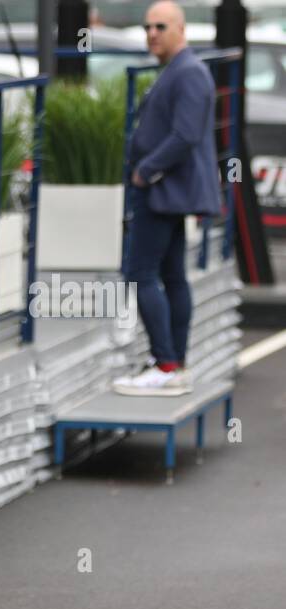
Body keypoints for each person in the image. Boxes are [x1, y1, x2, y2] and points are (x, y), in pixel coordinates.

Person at [113, 1, 221, 397]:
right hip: (166, 192)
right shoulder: (177, 70)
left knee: (140, 273)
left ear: (180, 28)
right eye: (147, 27)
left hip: (161, 191)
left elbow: (186, 135)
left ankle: (166, 364)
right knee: (172, 274)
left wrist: (146, 171)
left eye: (160, 26)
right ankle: (174, 364)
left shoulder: (189, 72)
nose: (152, 33)